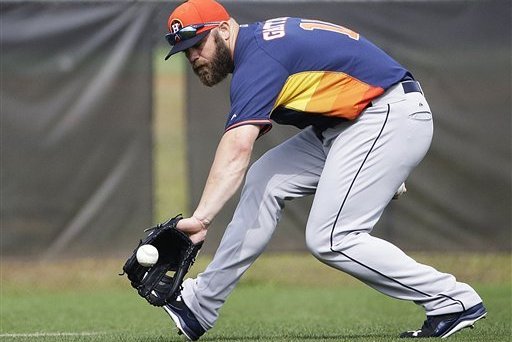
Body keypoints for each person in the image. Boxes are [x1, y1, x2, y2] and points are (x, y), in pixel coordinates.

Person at [161, 0, 486, 340]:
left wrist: (201, 220)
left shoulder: (258, 59)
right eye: (185, 51)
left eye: (198, 43)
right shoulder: (260, 46)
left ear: (225, 29)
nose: (194, 55)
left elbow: (237, 148)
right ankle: (200, 304)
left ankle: (451, 300)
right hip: (355, 122)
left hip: (384, 115)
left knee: (331, 237)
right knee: (264, 179)